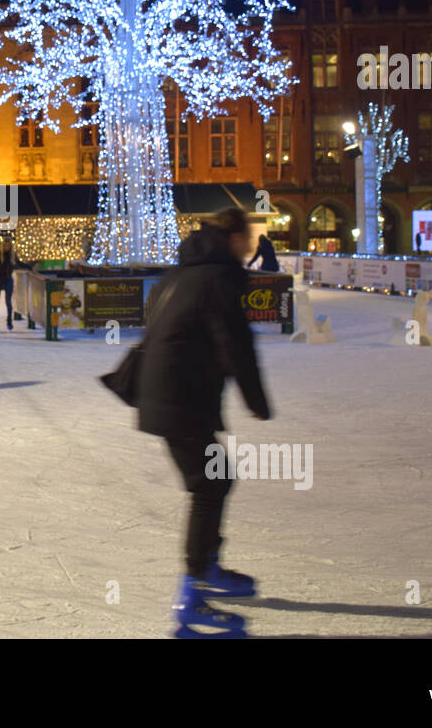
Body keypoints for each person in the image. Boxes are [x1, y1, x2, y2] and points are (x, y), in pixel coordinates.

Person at [137, 207, 272, 638]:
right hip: (180, 398)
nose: (251, 244)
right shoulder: (219, 276)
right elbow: (236, 342)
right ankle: (191, 598)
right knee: (209, 485)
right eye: (248, 235)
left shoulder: (185, 271)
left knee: (217, 478)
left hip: (167, 393)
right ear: (233, 236)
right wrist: (256, 399)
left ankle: (208, 570)